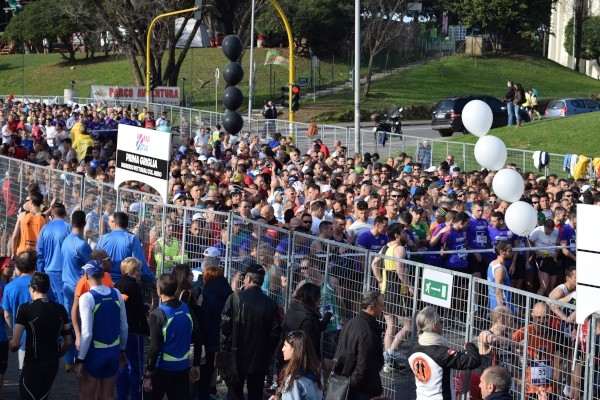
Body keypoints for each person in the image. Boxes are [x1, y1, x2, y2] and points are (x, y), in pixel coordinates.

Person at [220, 263, 282, 400]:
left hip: (236, 355)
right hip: (260, 357)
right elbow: (275, 333)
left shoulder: (235, 298)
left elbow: (225, 327)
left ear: (248, 278)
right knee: (256, 393)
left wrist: (224, 348)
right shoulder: (271, 304)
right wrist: (268, 351)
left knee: (235, 393)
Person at [9, 272, 71, 400]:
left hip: (33, 362)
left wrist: (13, 347)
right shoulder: (60, 309)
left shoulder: (25, 308)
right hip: (52, 363)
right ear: (48, 288)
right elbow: (68, 342)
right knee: (43, 396)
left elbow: (15, 343)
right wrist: (58, 354)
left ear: (31, 288)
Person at [75, 260, 128, 400]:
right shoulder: (116, 293)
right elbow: (124, 326)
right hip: (113, 351)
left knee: (87, 396)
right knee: (107, 396)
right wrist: (122, 349)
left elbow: (86, 333)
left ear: (86, 275)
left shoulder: (87, 298)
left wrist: (80, 360)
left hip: (94, 353)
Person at [143, 273, 202, 400]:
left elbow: (154, 347)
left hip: (161, 369)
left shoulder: (157, 314)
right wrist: (196, 364)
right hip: (182, 368)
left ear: (159, 290)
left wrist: (148, 374)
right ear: (175, 290)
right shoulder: (186, 308)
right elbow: (198, 335)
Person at [408, 306, 481, 400]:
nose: (442, 324)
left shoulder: (413, 351)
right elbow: (474, 360)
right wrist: (470, 346)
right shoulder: (442, 353)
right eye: (440, 322)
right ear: (435, 326)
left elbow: (409, 368)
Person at [332, 290, 385, 400]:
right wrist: (353, 383)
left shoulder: (351, 322)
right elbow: (363, 366)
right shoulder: (368, 332)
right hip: (362, 389)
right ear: (371, 308)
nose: (382, 309)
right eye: (381, 305)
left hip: (349, 381)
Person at [115, 257, 150, 400]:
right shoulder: (133, 286)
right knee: (136, 367)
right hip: (134, 329)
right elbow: (135, 309)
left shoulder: (118, 285)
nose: (140, 273)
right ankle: (136, 396)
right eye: (138, 270)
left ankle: (121, 396)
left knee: (122, 366)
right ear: (132, 271)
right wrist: (145, 308)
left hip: (120, 330)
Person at [198, 264, 232, 400]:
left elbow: (204, 323)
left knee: (204, 377)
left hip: (209, 342)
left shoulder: (206, 297)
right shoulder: (230, 296)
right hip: (225, 341)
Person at [2, 251, 37, 370]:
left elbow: (7, 314)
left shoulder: (9, 287)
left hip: (21, 338)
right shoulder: (41, 283)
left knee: (24, 373)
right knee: (40, 376)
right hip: (41, 337)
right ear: (34, 265)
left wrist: (16, 330)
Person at [97, 211, 155, 283]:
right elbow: (140, 262)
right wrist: (153, 279)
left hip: (105, 282)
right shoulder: (132, 239)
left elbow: (97, 260)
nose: (109, 224)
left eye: (110, 222)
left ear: (115, 223)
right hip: (125, 284)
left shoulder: (103, 238)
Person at [270, 330, 323, 400]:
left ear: (295, 350)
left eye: (285, 346)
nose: (282, 349)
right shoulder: (317, 371)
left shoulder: (294, 380)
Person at [35, 202, 71, 304]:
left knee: (50, 302)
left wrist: (40, 271)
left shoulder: (45, 228)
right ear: (64, 214)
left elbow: (40, 252)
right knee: (64, 303)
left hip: (48, 271)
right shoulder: (68, 227)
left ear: (52, 215)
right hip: (64, 272)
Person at [487, 241, 514, 312]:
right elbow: (498, 292)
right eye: (510, 251)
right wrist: (502, 311)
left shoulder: (492, 263)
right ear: (502, 252)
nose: (512, 253)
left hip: (495, 306)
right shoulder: (500, 269)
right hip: (503, 307)